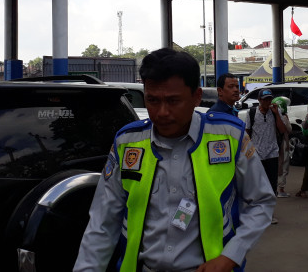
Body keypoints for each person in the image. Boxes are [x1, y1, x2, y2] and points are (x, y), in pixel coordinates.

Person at [74, 48, 276, 272]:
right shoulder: (127, 142)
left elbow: (260, 201)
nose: (161, 112)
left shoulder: (229, 136)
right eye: (152, 100)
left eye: (173, 101)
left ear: (196, 97)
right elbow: (102, 222)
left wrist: (231, 255)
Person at [246, 88, 288, 223]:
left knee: (271, 185)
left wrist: (276, 114)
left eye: (269, 99)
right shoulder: (251, 113)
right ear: (259, 100)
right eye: (265, 99)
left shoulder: (276, 112)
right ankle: (257, 212)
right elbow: (247, 132)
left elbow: (282, 130)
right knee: (257, 185)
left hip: (272, 153)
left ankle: (269, 214)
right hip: (256, 154)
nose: (267, 102)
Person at [271, 96, 292, 198]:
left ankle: (273, 189)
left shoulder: (270, 117)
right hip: (283, 144)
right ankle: (281, 189)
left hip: (272, 145)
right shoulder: (284, 118)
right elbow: (289, 129)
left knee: (274, 166)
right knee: (283, 166)